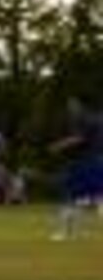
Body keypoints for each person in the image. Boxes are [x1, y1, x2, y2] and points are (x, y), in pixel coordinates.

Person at [47, 96, 103, 241]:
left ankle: (65, 233)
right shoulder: (96, 118)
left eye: (73, 105)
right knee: (92, 198)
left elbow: (79, 138)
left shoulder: (85, 119)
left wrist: (59, 145)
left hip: (84, 163)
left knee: (71, 196)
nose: (70, 108)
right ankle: (71, 232)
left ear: (81, 104)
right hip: (94, 161)